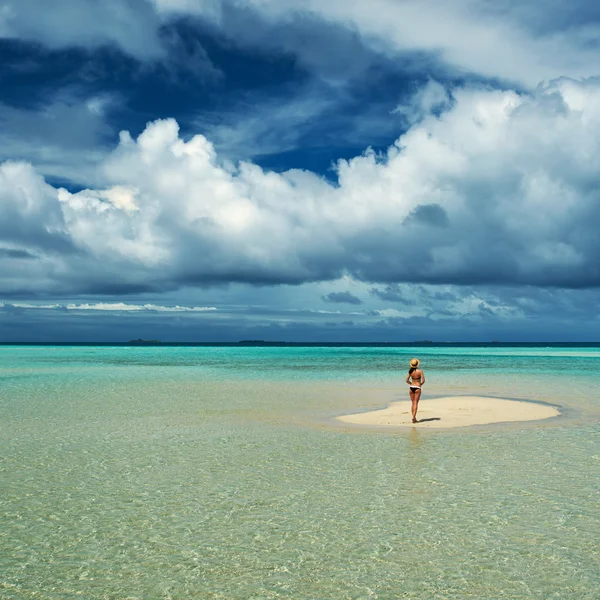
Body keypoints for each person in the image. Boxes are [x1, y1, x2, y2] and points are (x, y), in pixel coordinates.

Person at [405, 358, 425, 423]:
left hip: (411, 387)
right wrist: (420, 384)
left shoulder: (410, 371)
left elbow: (406, 380)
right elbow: (423, 381)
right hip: (417, 387)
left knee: (413, 403)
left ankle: (414, 417)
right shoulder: (420, 371)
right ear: (417, 364)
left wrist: (411, 383)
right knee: (416, 403)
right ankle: (414, 417)